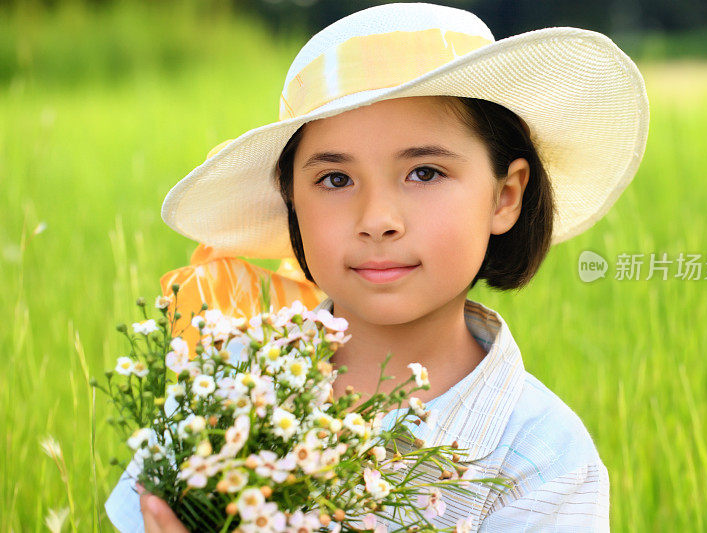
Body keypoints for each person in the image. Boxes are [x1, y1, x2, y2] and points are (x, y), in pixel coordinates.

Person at [105, 2, 649, 531]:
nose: (378, 220)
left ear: (505, 197)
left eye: (425, 172)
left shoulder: (541, 459)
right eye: (336, 180)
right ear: (293, 200)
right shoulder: (228, 384)